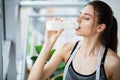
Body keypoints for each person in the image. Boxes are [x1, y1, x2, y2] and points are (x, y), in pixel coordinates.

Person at [28, 1, 120, 80]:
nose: (78, 20)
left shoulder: (113, 63)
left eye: (86, 18)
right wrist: (48, 43)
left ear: (100, 27)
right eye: (79, 15)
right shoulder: (67, 49)